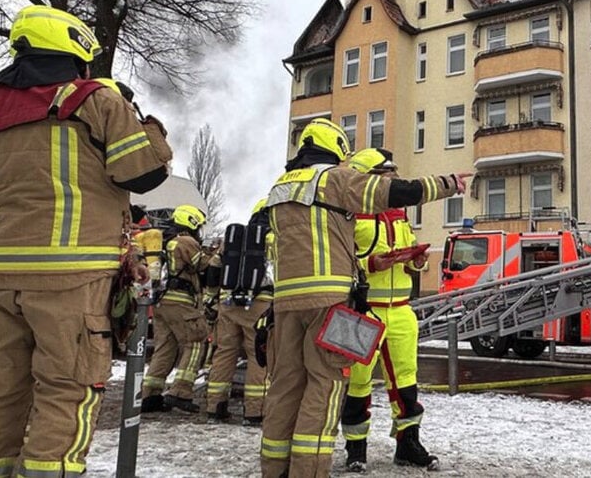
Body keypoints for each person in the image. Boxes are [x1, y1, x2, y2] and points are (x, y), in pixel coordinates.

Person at [0, 4, 172, 476]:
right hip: (72, 278)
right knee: (65, 391)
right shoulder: (96, 100)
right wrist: (138, 117)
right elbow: (145, 172)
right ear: (75, 52)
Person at [260, 118, 469, 478]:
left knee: (286, 386)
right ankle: (311, 469)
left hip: (288, 301)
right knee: (326, 386)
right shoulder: (334, 180)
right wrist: (449, 183)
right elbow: (399, 191)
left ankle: (275, 468)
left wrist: (412, 261)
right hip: (333, 302)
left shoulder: (280, 187)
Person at [341, 148, 439, 472]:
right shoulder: (350, 215)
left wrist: (416, 261)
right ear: (368, 179)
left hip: (400, 310)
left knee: (406, 383)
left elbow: (409, 262)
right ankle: (356, 450)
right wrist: (371, 263)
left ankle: (408, 444)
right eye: (387, 175)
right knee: (357, 385)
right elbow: (340, 260)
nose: (394, 181)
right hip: (363, 312)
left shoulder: (399, 215)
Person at [142, 204, 218, 413]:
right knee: (196, 342)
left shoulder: (165, 241)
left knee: (165, 348)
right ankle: (180, 392)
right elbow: (203, 265)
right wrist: (217, 254)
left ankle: (149, 395)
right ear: (190, 222)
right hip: (181, 302)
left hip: (161, 303)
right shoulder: (185, 241)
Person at [205, 200, 274, 426]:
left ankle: (215, 407)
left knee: (224, 352)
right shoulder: (275, 240)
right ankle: (254, 411)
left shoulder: (232, 240)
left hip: (228, 303)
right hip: (259, 305)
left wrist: (211, 299)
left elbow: (213, 270)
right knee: (258, 355)